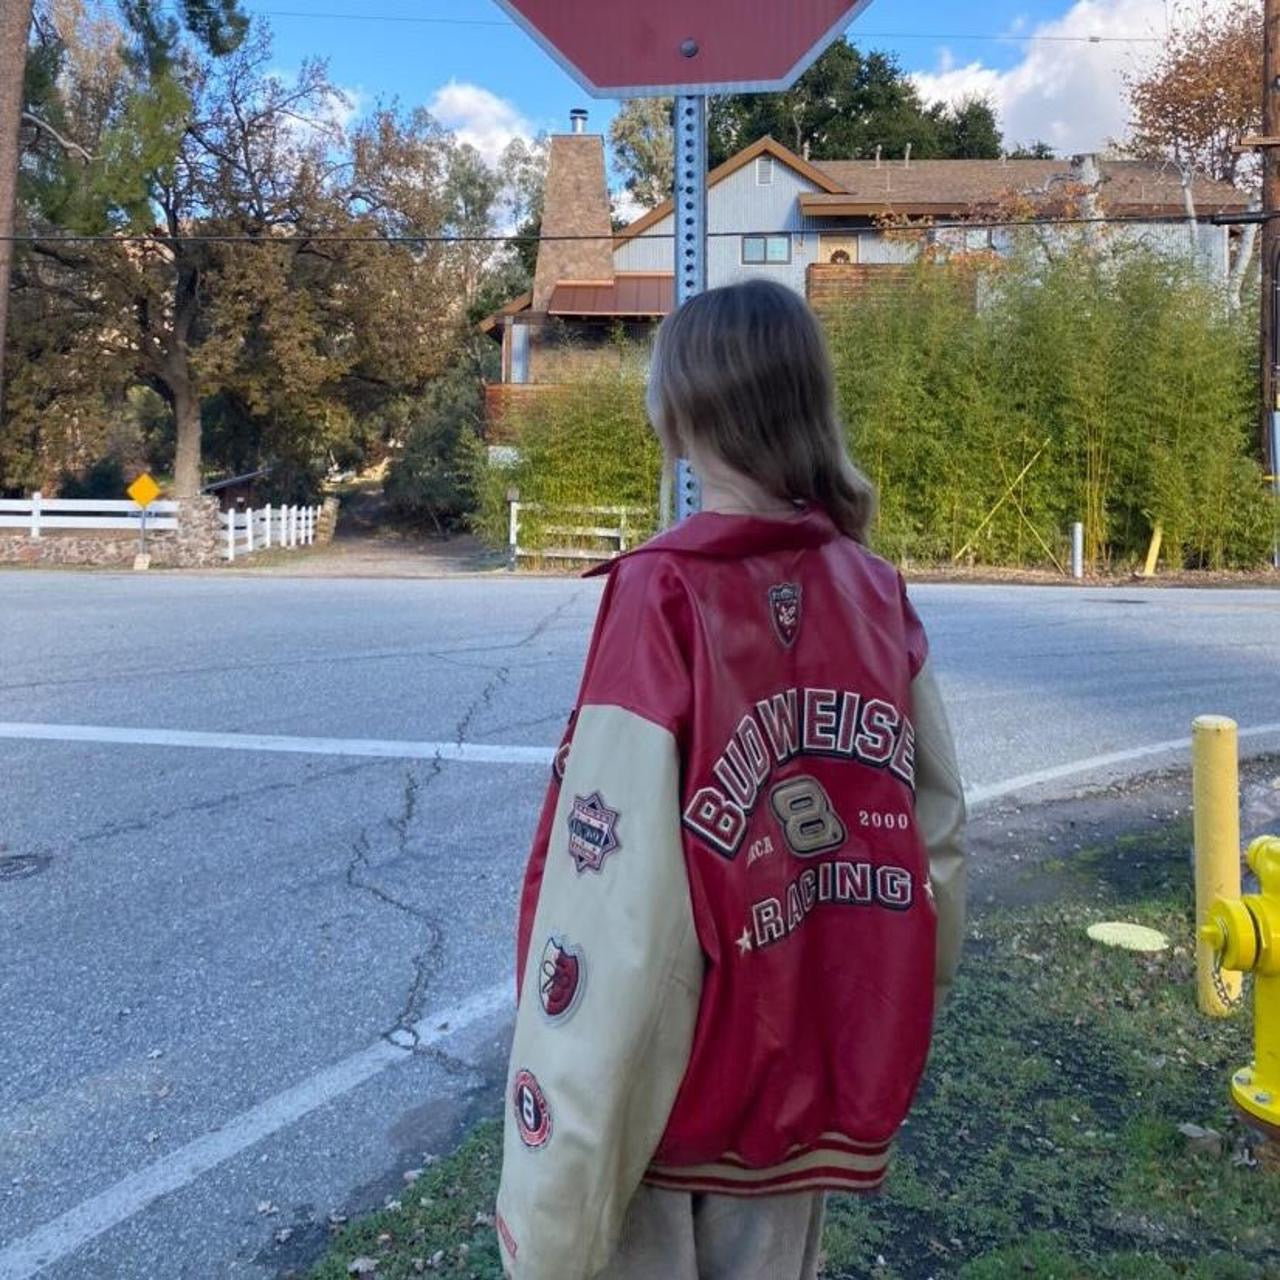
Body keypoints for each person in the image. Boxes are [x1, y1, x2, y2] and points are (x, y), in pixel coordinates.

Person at [495, 279, 966, 1280]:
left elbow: (608, 897)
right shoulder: (875, 593)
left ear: (681, 411)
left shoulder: (660, 591)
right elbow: (937, 849)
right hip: (808, 1082)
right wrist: (879, 1015)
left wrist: (568, 1111)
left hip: (677, 1096)